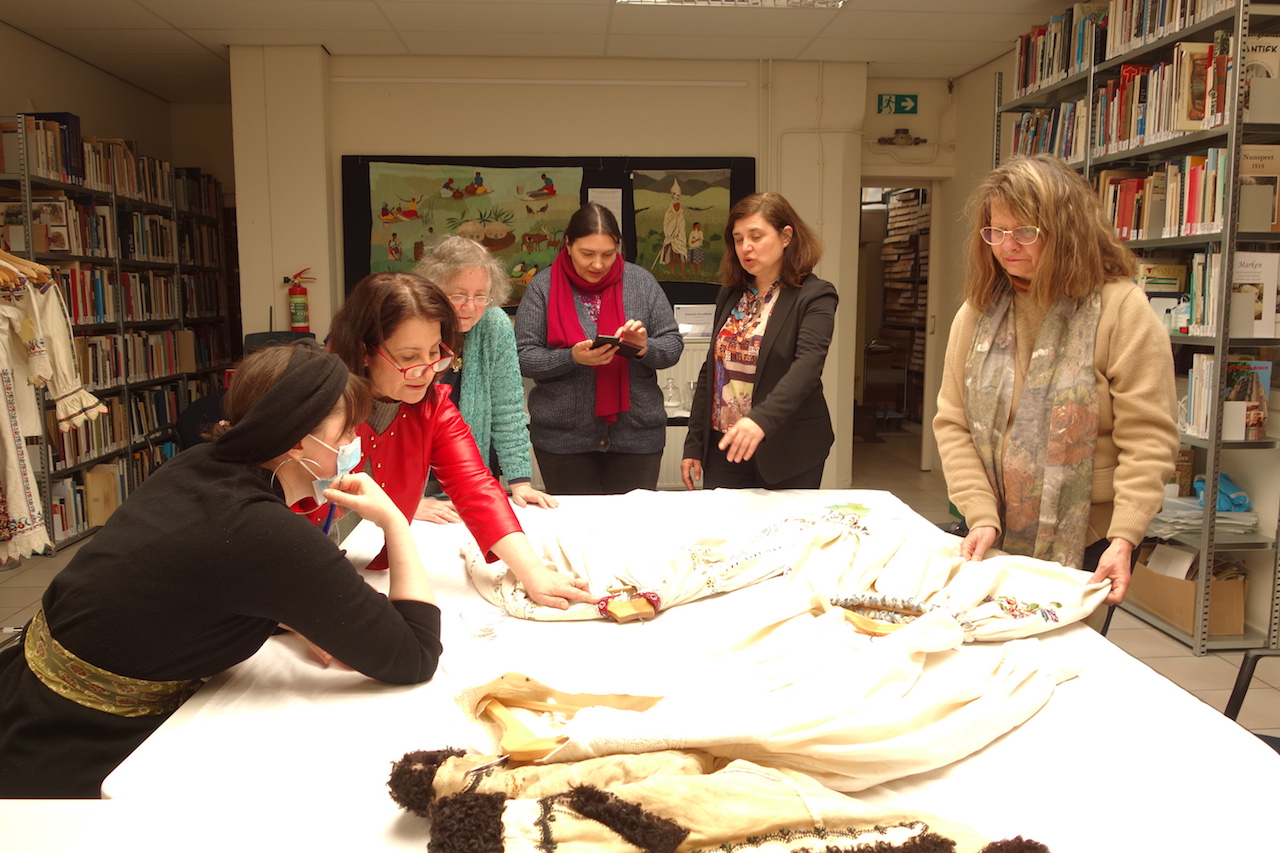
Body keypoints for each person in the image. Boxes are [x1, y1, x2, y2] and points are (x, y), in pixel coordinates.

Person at [0, 341, 443, 798]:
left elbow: (198, 581)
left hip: (22, 693)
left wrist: (294, 610)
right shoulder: (262, 530)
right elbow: (415, 655)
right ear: (297, 443)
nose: (355, 444)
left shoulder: (198, 465)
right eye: (346, 434)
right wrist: (394, 521)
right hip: (73, 744)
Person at [933, 153, 1179, 608]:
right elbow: (953, 423)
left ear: (1066, 231)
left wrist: (1124, 538)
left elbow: (1149, 437)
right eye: (996, 231)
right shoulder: (976, 314)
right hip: (994, 529)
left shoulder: (1122, 308)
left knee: (1063, 663)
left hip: (1090, 535)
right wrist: (980, 514)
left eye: (1025, 231)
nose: (1008, 246)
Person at [325, 272, 593, 607]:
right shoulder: (322, 405)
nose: (428, 370)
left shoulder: (432, 406)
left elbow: (475, 487)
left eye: (435, 351)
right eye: (408, 358)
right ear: (364, 352)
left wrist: (533, 572)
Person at [515, 202, 684, 494]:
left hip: (636, 435)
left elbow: (672, 346)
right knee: (575, 533)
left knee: (631, 531)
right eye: (587, 254)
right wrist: (572, 358)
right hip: (563, 440)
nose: (598, 264)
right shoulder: (542, 287)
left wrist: (642, 348)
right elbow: (523, 357)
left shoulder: (641, 282)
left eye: (608, 254)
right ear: (567, 244)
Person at [681, 192, 838, 491]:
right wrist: (694, 444)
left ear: (786, 236)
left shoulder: (815, 295)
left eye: (756, 236)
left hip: (787, 447)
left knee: (783, 534)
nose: (745, 247)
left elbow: (807, 367)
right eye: (738, 239)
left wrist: (759, 421)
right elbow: (711, 371)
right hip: (726, 445)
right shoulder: (730, 294)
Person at [412, 236, 556, 522]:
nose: (470, 306)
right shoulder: (412, 322)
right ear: (434, 289)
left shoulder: (494, 324)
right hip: (411, 478)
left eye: (481, 296)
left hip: (469, 477)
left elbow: (507, 409)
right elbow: (388, 421)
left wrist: (519, 482)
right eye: (458, 295)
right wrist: (406, 500)